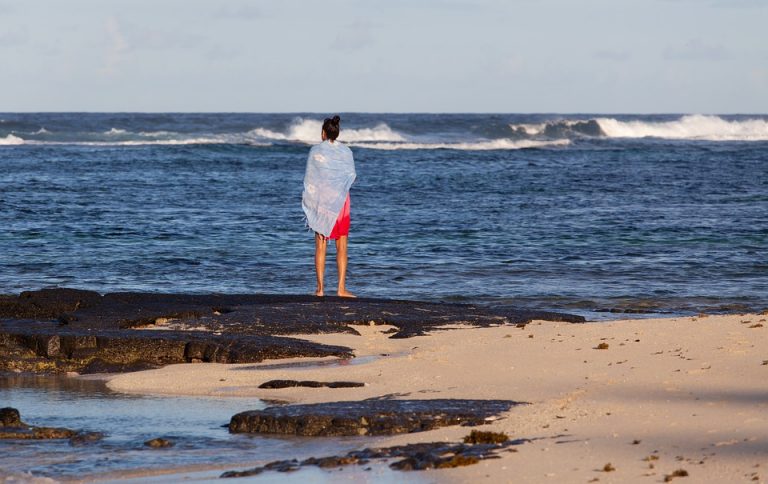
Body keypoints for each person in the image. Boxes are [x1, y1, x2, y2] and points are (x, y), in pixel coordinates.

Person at [302, 115, 356, 297]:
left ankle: (320, 289)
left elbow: (311, 178)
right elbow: (351, 175)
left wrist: (310, 199)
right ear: (337, 132)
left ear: (323, 133)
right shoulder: (346, 152)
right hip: (341, 201)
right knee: (342, 246)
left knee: (321, 245)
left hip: (322, 200)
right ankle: (341, 289)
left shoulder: (316, 151)